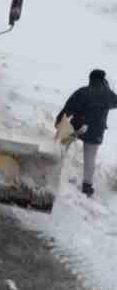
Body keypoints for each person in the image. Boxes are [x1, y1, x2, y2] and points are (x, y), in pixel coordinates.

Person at [57, 69, 117, 197]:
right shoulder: (108, 95)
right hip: (95, 131)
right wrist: (107, 90)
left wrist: (59, 119)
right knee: (90, 159)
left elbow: (69, 107)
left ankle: (53, 168)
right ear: (103, 80)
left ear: (91, 79)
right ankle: (87, 186)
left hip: (78, 127)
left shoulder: (83, 91)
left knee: (63, 145)